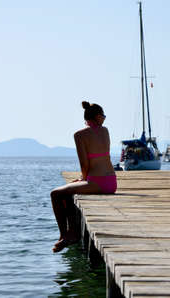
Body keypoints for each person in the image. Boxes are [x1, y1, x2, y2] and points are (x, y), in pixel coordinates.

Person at [50, 101, 117, 253]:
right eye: (103, 116)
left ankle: (66, 235)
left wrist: (82, 179)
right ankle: (71, 233)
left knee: (55, 194)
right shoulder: (105, 131)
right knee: (67, 194)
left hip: (98, 182)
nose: (105, 119)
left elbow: (84, 164)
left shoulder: (79, 135)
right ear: (97, 117)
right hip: (111, 181)